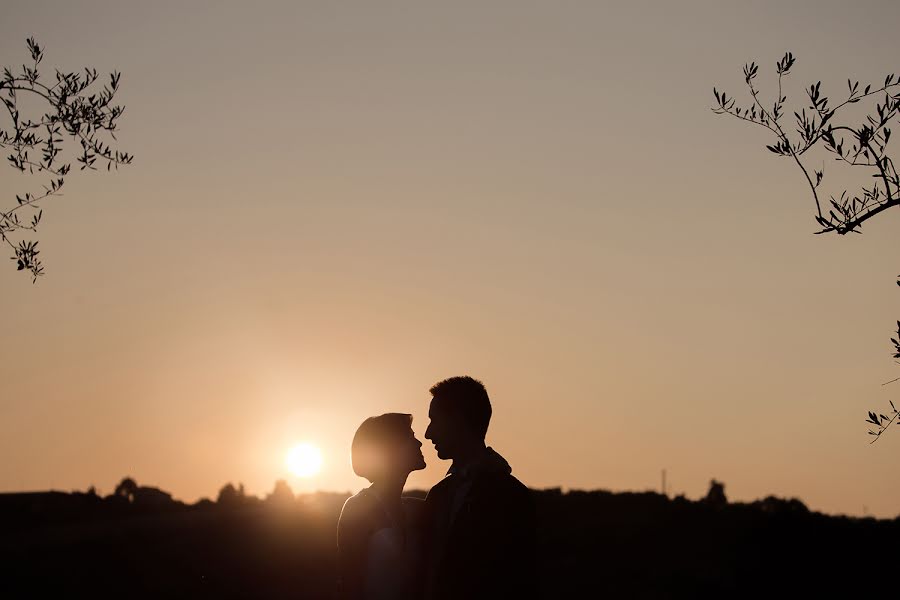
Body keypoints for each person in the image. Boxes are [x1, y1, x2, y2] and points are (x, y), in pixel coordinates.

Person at [422, 376, 537, 600]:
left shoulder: (512, 497)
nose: (428, 433)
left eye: (434, 420)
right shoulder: (439, 494)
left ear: (457, 420)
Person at [337, 413, 427, 600]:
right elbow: (349, 584)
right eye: (410, 437)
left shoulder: (418, 509)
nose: (419, 443)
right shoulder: (358, 508)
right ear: (391, 449)